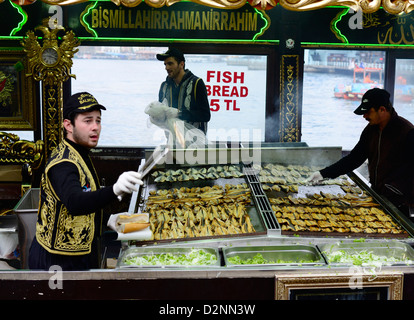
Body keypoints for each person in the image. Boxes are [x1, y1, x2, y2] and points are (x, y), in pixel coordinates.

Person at [29, 92, 143, 271]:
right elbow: (75, 202)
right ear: (68, 125)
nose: (95, 127)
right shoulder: (63, 164)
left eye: (98, 121)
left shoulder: (80, 152)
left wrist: (107, 219)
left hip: (79, 253)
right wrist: (115, 189)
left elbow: (86, 197)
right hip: (56, 261)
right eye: (87, 121)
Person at [308, 88, 414, 218]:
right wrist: (323, 174)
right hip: (378, 196)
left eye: (368, 112)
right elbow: (354, 158)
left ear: (382, 109)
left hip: (400, 203)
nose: (364, 116)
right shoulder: (371, 131)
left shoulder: (406, 132)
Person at [156, 47, 211, 134]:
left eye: (170, 64)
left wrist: (179, 113)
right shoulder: (164, 86)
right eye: (165, 64)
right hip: (172, 141)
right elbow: (161, 115)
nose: (166, 67)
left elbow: (205, 115)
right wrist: (155, 114)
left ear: (181, 64)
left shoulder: (197, 83)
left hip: (195, 143)